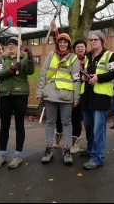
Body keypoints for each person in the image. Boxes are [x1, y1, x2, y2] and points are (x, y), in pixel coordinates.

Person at [36, 21, 81, 166]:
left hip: (66, 96)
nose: (62, 44)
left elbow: (76, 79)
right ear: (57, 43)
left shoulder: (73, 58)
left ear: (68, 44)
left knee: (66, 123)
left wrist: (76, 97)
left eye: (65, 42)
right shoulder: (51, 55)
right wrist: (39, 91)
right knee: (50, 122)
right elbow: (43, 74)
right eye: (60, 41)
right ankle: (49, 148)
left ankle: (66, 150)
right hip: (49, 94)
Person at [0, 37, 35, 169]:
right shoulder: (2, 60)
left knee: (19, 125)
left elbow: (30, 71)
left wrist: (30, 56)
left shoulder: (22, 59)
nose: (11, 46)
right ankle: (2, 154)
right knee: (4, 125)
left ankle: (17, 155)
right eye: (9, 44)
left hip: (20, 95)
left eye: (14, 45)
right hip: (5, 94)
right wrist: (9, 70)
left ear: (19, 47)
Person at [79, 31, 114, 170]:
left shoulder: (109, 55)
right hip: (87, 96)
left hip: (101, 98)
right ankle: (91, 149)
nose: (92, 42)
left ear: (102, 40)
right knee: (89, 127)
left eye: (95, 39)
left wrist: (98, 78)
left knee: (98, 129)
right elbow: (81, 72)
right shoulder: (87, 56)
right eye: (91, 40)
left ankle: (97, 158)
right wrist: (83, 77)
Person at [53, 39, 87, 154]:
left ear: (85, 48)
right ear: (74, 49)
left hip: (81, 93)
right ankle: (58, 135)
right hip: (66, 92)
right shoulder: (68, 58)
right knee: (60, 116)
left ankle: (74, 141)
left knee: (76, 118)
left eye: (82, 46)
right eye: (78, 47)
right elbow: (58, 42)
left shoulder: (89, 60)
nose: (80, 48)